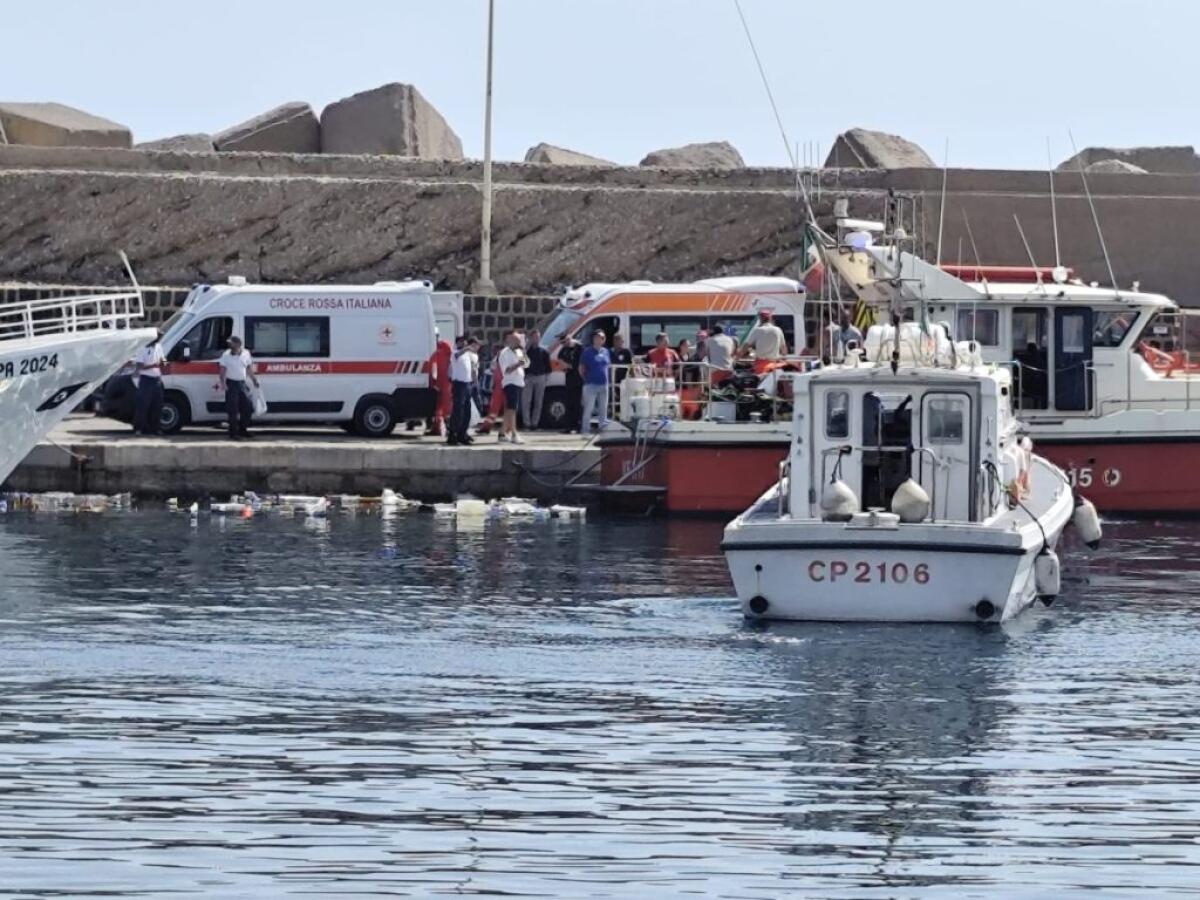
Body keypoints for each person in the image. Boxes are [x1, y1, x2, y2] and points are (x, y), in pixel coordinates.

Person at [217, 336, 259, 440]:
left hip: (242, 383)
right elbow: (222, 370)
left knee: (247, 407)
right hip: (231, 384)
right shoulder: (226, 355)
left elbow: (248, 368)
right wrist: (223, 383)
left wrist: (254, 380)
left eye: (232, 343)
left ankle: (243, 430)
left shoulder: (246, 353)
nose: (229, 345)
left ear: (238, 344)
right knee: (233, 410)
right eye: (229, 343)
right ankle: (233, 433)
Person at [132, 332, 166, 435]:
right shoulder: (143, 348)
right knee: (143, 406)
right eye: (158, 337)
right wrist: (153, 366)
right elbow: (139, 366)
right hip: (146, 380)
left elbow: (162, 359)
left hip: (156, 379)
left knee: (157, 405)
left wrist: (163, 363)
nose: (159, 340)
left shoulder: (158, 347)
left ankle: (155, 428)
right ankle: (139, 428)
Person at [448, 335, 480, 445]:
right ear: (457, 343)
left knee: (467, 411)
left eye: (464, 342)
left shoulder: (467, 355)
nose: (464, 343)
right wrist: (466, 348)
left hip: (467, 384)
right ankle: (453, 434)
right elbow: (457, 355)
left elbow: (473, 366)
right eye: (461, 342)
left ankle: (462, 434)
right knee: (458, 411)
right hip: (459, 384)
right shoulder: (455, 353)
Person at [579, 330, 612, 435]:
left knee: (603, 410)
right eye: (596, 337)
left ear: (603, 340)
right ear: (593, 339)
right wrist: (586, 379)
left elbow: (607, 366)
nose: (598, 339)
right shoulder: (587, 352)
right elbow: (581, 368)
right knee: (588, 409)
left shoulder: (606, 351)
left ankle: (603, 432)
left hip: (604, 385)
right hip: (591, 385)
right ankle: (585, 431)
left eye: (601, 338)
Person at [497, 331, 528, 443]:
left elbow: (526, 364)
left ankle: (502, 433)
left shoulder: (518, 351)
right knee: (512, 409)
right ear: (509, 340)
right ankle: (514, 433)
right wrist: (518, 364)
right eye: (516, 340)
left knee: (510, 409)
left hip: (519, 382)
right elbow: (506, 370)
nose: (518, 342)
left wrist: (522, 353)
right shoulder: (504, 353)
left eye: (519, 340)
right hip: (510, 383)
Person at [739, 309, 788, 373]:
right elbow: (784, 350)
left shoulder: (758, 330)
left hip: (761, 366)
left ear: (760, 319)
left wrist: (738, 356)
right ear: (770, 319)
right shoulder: (778, 330)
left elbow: (746, 346)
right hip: (774, 366)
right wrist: (783, 357)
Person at [522, 329, 551, 430]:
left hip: (541, 377)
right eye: (534, 337)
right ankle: (526, 423)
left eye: (538, 337)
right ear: (531, 338)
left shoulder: (544, 351)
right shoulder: (527, 351)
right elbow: (522, 363)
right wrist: (524, 350)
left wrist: (545, 378)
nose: (536, 339)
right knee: (526, 401)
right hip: (528, 377)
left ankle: (535, 423)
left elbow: (548, 367)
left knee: (538, 402)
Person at [556, 334, 584, 433]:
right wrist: (563, 365)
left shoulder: (579, 348)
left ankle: (578, 426)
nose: (565, 343)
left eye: (566, 341)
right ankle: (568, 427)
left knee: (577, 404)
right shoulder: (565, 349)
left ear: (570, 338)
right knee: (569, 403)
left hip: (578, 379)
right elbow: (559, 357)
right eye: (563, 342)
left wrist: (568, 365)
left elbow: (579, 364)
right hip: (569, 379)